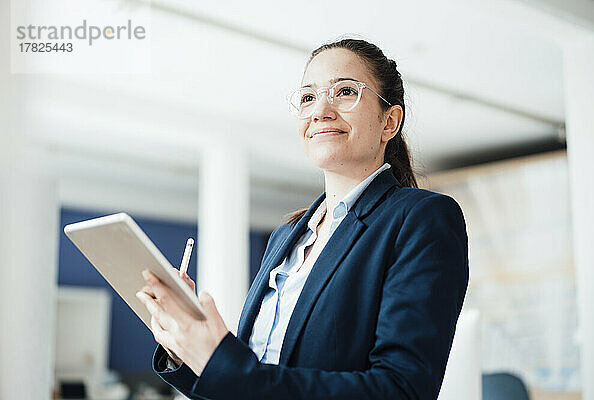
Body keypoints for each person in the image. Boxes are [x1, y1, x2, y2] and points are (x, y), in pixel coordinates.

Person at [136, 37, 469, 400]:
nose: (320, 111)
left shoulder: (421, 219)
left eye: (344, 92)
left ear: (389, 121)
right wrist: (187, 346)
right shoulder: (286, 237)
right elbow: (249, 383)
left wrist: (224, 362)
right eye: (308, 97)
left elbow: (402, 390)